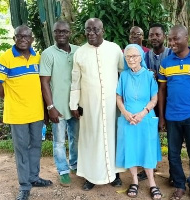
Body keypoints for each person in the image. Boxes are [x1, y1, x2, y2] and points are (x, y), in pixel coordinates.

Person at [0, 25, 52, 200]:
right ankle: (24, 185)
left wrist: (45, 110)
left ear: (32, 39)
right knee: (21, 149)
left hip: (36, 112)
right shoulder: (5, 58)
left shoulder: (38, 58)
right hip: (17, 114)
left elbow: (44, 84)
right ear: (14, 39)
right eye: (19, 36)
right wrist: (10, 98)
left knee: (36, 146)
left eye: (26, 36)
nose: (23, 39)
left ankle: (34, 177)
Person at [69, 18, 125, 191]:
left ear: (103, 31)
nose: (91, 33)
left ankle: (114, 174)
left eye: (95, 29)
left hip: (111, 105)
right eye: (88, 30)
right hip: (89, 105)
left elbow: (124, 74)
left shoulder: (114, 49)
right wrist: (73, 104)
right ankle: (91, 177)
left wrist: (125, 100)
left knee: (113, 137)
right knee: (90, 139)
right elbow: (75, 81)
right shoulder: (80, 53)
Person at [158, 25, 190, 200]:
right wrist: (162, 116)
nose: (172, 43)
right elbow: (162, 91)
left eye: (176, 39)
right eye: (170, 39)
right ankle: (179, 185)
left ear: (187, 38)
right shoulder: (165, 62)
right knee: (173, 154)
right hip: (172, 116)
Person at [116, 44, 162, 200]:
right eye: (128, 56)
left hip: (145, 118)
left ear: (141, 57)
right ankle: (134, 181)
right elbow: (118, 97)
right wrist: (125, 113)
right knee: (131, 149)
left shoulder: (149, 75)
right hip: (128, 119)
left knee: (147, 149)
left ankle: (152, 183)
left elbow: (154, 98)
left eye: (134, 56)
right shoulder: (123, 75)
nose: (131, 59)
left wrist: (143, 113)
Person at [40, 21, 79, 187]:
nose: (60, 34)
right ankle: (63, 170)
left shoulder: (79, 51)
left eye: (64, 31)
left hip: (76, 107)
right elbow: (44, 82)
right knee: (58, 142)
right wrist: (50, 108)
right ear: (53, 33)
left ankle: (75, 165)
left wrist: (80, 104)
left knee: (76, 139)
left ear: (70, 32)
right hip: (58, 108)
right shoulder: (48, 54)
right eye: (57, 31)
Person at [137, 23, 172, 182]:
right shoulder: (145, 56)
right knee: (149, 136)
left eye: (157, 34)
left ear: (164, 36)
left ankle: (174, 172)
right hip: (151, 102)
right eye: (151, 35)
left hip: (170, 102)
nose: (154, 38)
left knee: (173, 138)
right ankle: (148, 167)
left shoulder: (171, 54)